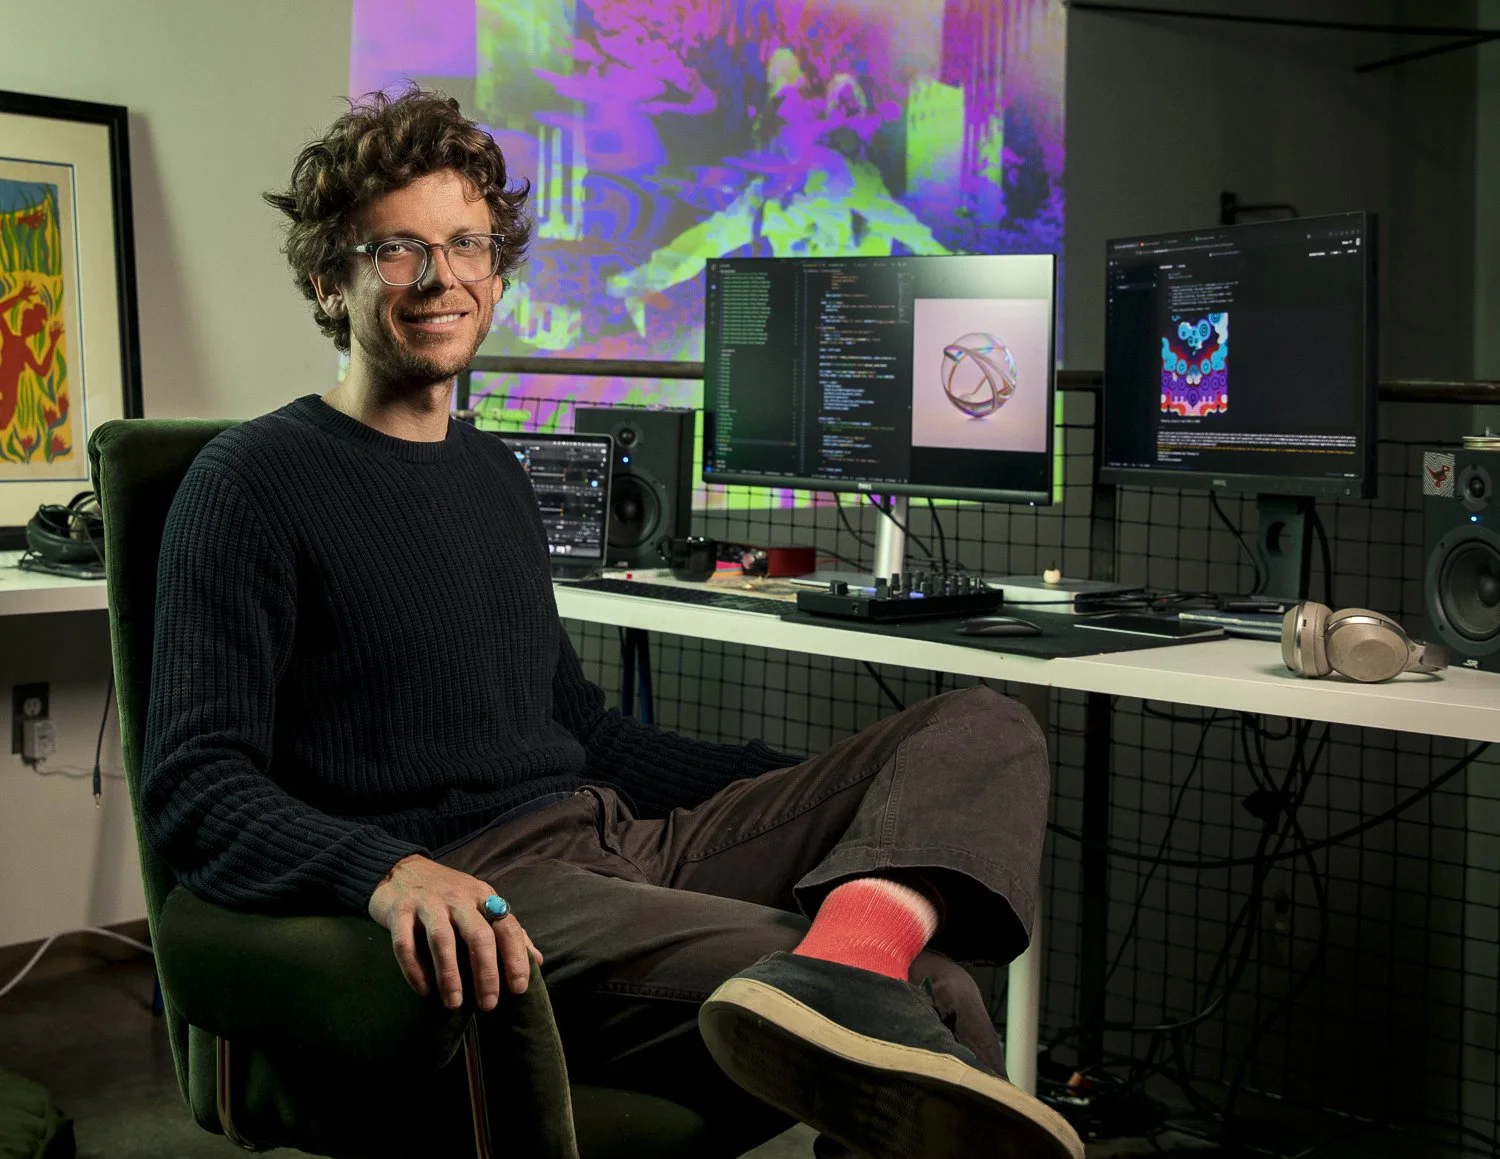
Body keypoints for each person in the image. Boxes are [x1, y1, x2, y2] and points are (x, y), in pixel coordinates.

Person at [143, 86, 1082, 1159]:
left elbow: (581, 730)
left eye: (467, 244)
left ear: (498, 267)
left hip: (616, 839)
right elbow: (194, 783)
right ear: (330, 278)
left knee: (981, 726)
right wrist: (385, 873)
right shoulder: (253, 482)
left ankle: (844, 968)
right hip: (491, 887)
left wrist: (843, 800)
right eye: (400, 250)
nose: (443, 277)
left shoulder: (494, 474)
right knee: (935, 987)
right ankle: (853, 980)